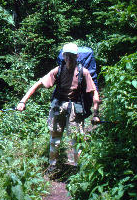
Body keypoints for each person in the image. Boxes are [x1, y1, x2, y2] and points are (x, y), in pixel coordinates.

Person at [17, 42, 100, 173]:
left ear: (77, 56)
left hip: (75, 106)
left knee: (76, 140)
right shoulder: (58, 70)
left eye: (71, 56)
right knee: (55, 138)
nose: (69, 59)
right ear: (63, 56)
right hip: (58, 105)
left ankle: (80, 171)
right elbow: (38, 84)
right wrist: (23, 101)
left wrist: (96, 113)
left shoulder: (83, 72)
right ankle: (53, 167)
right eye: (66, 56)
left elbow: (94, 92)